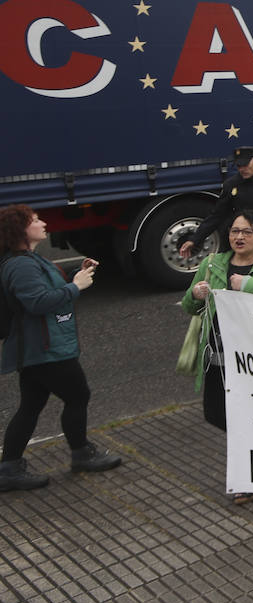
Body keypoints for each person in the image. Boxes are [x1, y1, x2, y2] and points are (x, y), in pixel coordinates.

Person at [0, 206, 121, 491]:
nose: (43, 223)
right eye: (35, 220)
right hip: (46, 348)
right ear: (21, 230)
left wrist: (77, 274)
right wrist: (75, 287)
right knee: (78, 395)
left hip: (39, 347)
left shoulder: (27, 259)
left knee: (31, 405)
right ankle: (81, 454)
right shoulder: (21, 264)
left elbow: (43, 290)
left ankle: (9, 468)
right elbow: (38, 302)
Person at [181, 210, 253, 493]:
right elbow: (189, 307)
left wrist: (250, 285)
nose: (239, 237)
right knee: (215, 413)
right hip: (218, 358)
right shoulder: (212, 263)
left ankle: (247, 475)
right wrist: (195, 296)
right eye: (234, 231)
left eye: (247, 232)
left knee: (247, 415)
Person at [178, 146, 253, 260]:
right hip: (244, 246)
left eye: (246, 165)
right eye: (239, 166)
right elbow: (217, 215)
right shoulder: (231, 185)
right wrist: (195, 239)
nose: (242, 169)